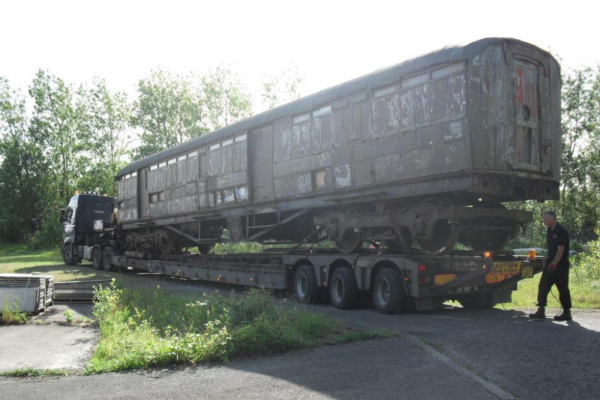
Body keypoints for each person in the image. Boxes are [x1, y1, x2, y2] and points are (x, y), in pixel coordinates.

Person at [529, 211, 572, 321]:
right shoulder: (549, 230)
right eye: (544, 219)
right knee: (543, 286)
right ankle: (541, 310)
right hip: (550, 264)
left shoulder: (561, 231)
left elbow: (560, 250)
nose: (544, 221)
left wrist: (554, 264)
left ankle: (567, 312)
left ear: (553, 219)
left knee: (562, 289)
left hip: (560, 266)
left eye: (546, 219)